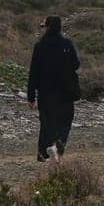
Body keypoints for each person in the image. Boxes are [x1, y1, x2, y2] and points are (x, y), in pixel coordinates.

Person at [27, 15, 80, 162]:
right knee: (65, 121)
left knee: (46, 121)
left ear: (48, 27)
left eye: (42, 26)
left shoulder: (40, 46)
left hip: (46, 91)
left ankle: (43, 152)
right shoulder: (67, 44)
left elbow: (34, 72)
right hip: (66, 91)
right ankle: (58, 146)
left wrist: (30, 96)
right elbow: (76, 64)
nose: (41, 28)